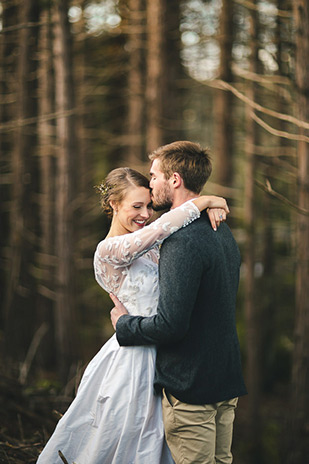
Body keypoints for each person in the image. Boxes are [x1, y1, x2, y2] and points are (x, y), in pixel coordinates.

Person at [36, 166, 229, 464]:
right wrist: (206, 200)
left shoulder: (151, 246)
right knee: (129, 436)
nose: (145, 214)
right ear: (114, 204)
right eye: (136, 206)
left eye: (149, 205)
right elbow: (161, 228)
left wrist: (209, 207)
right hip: (135, 357)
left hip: (166, 348)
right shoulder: (110, 250)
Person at [110, 141, 247, 464]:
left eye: (154, 176)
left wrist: (124, 325)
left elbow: (171, 326)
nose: (150, 183)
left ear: (174, 179)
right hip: (225, 379)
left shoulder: (181, 241)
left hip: (192, 387)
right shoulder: (221, 229)